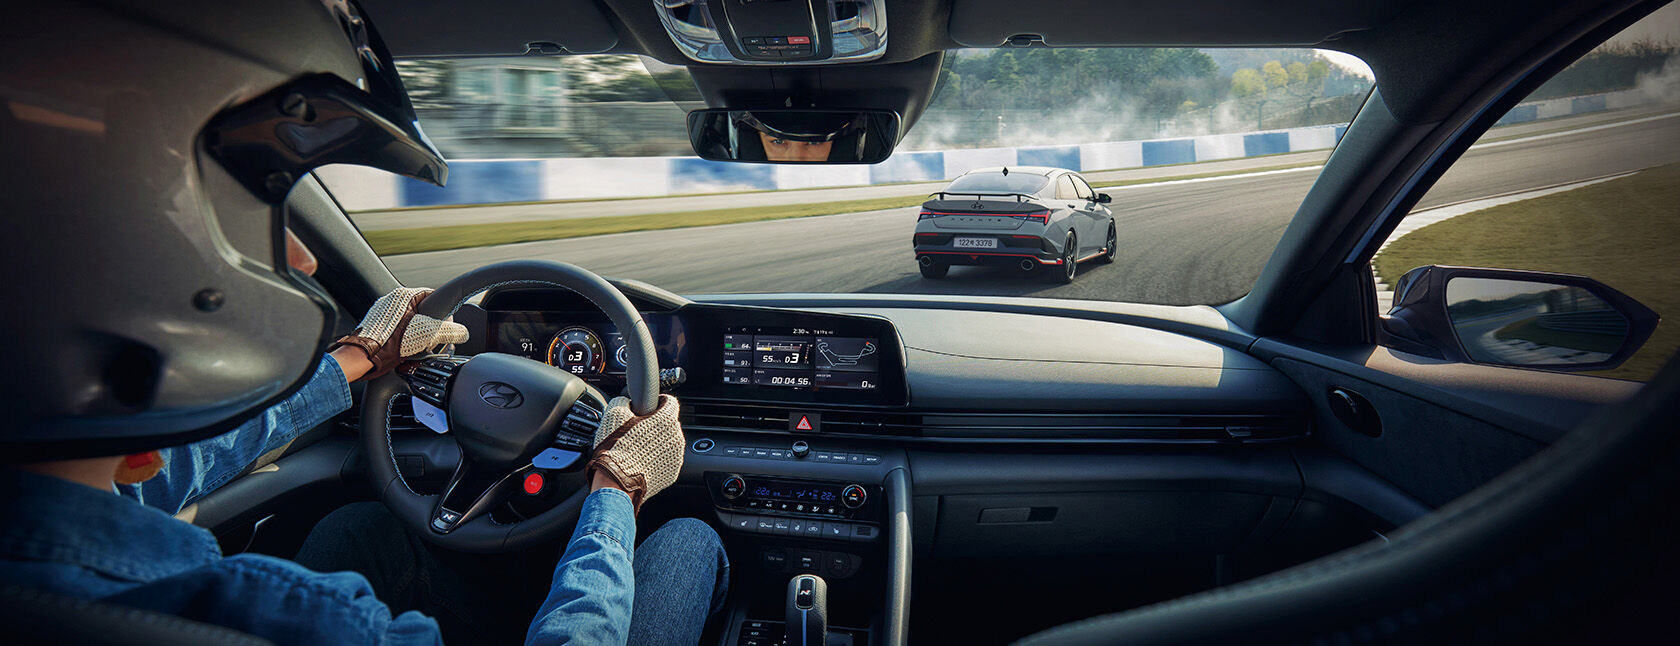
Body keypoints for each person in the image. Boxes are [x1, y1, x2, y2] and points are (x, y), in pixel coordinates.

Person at [0, 1, 725, 644]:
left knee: (365, 527)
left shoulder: (61, 495)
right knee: (690, 540)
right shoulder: (298, 621)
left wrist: (357, 360)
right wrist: (615, 492)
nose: (301, 259)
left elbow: (166, 475)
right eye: (247, 208)